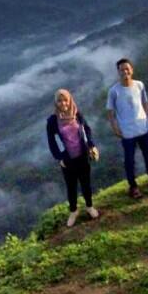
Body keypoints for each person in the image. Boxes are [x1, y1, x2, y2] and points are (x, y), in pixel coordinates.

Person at [105, 57, 148, 199]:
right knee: (129, 161)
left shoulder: (139, 85)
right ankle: (133, 187)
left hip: (143, 128)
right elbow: (110, 112)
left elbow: (145, 102)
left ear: (132, 70)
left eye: (127, 68)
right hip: (127, 132)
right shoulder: (114, 91)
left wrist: (146, 118)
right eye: (122, 69)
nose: (125, 71)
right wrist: (115, 129)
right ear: (118, 72)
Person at [46, 88, 100, 227]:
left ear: (70, 100)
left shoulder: (77, 114)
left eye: (65, 100)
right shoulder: (53, 121)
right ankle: (73, 211)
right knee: (71, 187)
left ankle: (89, 207)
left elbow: (87, 129)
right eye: (59, 100)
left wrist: (91, 145)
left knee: (86, 183)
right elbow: (51, 141)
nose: (63, 103)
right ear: (56, 103)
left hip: (82, 155)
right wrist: (59, 158)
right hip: (67, 160)